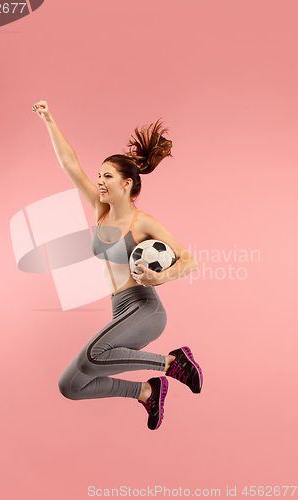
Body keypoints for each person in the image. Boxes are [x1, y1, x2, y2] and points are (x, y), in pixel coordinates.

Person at [32, 100, 203, 430]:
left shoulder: (143, 223)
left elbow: (190, 261)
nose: (98, 180)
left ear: (126, 183)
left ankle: (173, 363)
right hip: (119, 312)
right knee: (71, 385)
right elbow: (70, 165)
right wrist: (50, 120)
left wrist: (159, 276)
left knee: (91, 357)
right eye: (98, 175)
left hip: (144, 310)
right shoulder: (102, 211)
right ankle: (146, 392)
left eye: (106, 176)